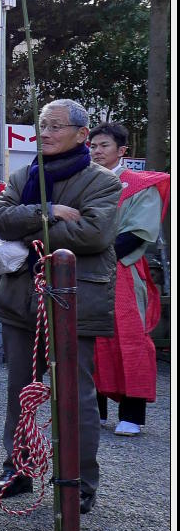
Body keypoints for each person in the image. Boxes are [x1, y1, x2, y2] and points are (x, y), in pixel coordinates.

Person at [0, 99, 120, 515]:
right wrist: (47, 212)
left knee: (76, 395)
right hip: (20, 300)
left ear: (82, 134)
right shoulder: (25, 174)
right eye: (42, 125)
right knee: (20, 392)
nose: (44, 133)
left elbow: (95, 234)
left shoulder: (103, 181)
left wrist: (30, 228)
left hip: (74, 300)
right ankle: (19, 469)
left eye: (56, 126)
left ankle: (77, 481)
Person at [89, 122, 169, 437]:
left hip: (123, 269)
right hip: (87, 269)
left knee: (131, 339)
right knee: (89, 338)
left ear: (122, 150)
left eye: (104, 145)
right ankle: (93, 410)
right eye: (93, 145)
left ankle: (133, 413)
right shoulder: (84, 183)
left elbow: (138, 234)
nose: (97, 151)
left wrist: (96, 252)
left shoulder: (139, 184)